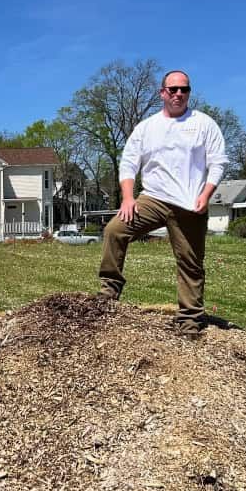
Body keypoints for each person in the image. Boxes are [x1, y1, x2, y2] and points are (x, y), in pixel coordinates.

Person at [97, 70, 228, 337]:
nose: (179, 94)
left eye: (184, 89)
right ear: (162, 93)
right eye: (173, 89)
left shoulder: (204, 124)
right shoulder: (147, 128)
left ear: (189, 93)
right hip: (152, 198)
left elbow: (218, 162)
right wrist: (128, 197)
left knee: (190, 262)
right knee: (114, 230)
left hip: (190, 203)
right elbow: (129, 163)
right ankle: (108, 294)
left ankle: (190, 319)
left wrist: (206, 194)